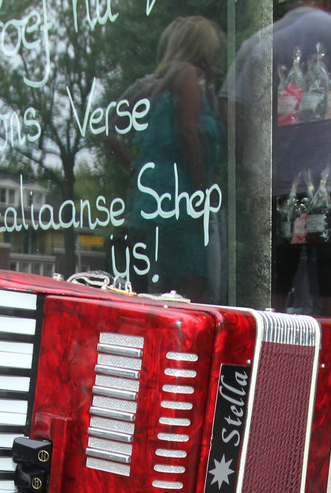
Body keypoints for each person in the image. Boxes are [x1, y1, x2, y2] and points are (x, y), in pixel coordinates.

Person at [224, 0, 331, 316]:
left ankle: (267, 348)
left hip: (279, 185)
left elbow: (232, 108)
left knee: (271, 294)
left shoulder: (264, 42)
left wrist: (253, 166)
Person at [118, 16, 227, 301]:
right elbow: (188, 131)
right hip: (181, 196)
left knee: (167, 284)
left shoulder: (161, 83)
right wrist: (201, 195)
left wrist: (135, 170)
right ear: (201, 46)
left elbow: (111, 130)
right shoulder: (187, 75)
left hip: (159, 194)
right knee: (192, 281)